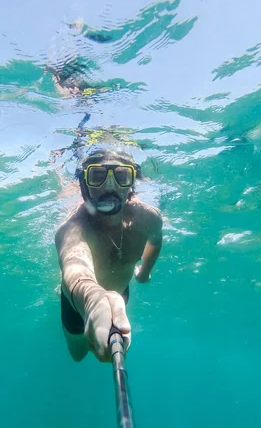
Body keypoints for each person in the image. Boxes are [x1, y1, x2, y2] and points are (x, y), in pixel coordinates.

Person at [55, 147, 163, 362]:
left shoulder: (149, 218)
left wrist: (144, 273)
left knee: (102, 349)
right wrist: (94, 300)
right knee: (78, 355)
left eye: (122, 176)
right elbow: (73, 266)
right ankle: (61, 290)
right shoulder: (73, 229)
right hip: (80, 305)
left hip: (120, 294)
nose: (110, 186)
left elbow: (155, 240)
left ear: (131, 183)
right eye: (98, 176)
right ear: (85, 184)